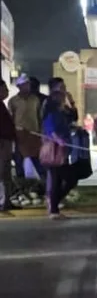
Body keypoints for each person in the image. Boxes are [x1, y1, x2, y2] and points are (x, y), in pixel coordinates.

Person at [41, 90, 75, 219]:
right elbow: (52, 130)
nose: (64, 100)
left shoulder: (60, 113)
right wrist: (59, 140)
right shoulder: (52, 114)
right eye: (62, 98)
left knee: (59, 179)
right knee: (62, 179)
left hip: (61, 150)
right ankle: (53, 206)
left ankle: (54, 206)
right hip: (55, 151)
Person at [8, 75, 43, 181]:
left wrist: (41, 132)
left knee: (37, 160)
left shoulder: (35, 99)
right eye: (24, 85)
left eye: (28, 84)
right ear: (19, 86)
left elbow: (39, 116)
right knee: (19, 160)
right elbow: (10, 118)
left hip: (34, 135)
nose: (27, 87)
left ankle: (44, 183)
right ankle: (21, 184)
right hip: (20, 136)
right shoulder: (13, 101)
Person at [0, 80, 17, 213]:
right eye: (4, 88)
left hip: (6, 143)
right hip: (2, 143)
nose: (7, 91)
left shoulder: (2, 106)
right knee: (2, 173)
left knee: (6, 173)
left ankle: (6, 201)